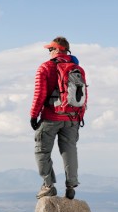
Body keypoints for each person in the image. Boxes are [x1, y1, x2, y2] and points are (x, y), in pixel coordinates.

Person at [29, 36, 86, 200]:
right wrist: (78, 117)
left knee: (42, 150)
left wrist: (34, 115)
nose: (48, 52)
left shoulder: (45, 67)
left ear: (56, 50)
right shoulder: (77, 69)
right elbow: (83, 96)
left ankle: (48, 185)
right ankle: (71, 186)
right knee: (69, 150)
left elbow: (39, 94)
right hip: (72, 118)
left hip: (51, 117)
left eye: (50, 49)